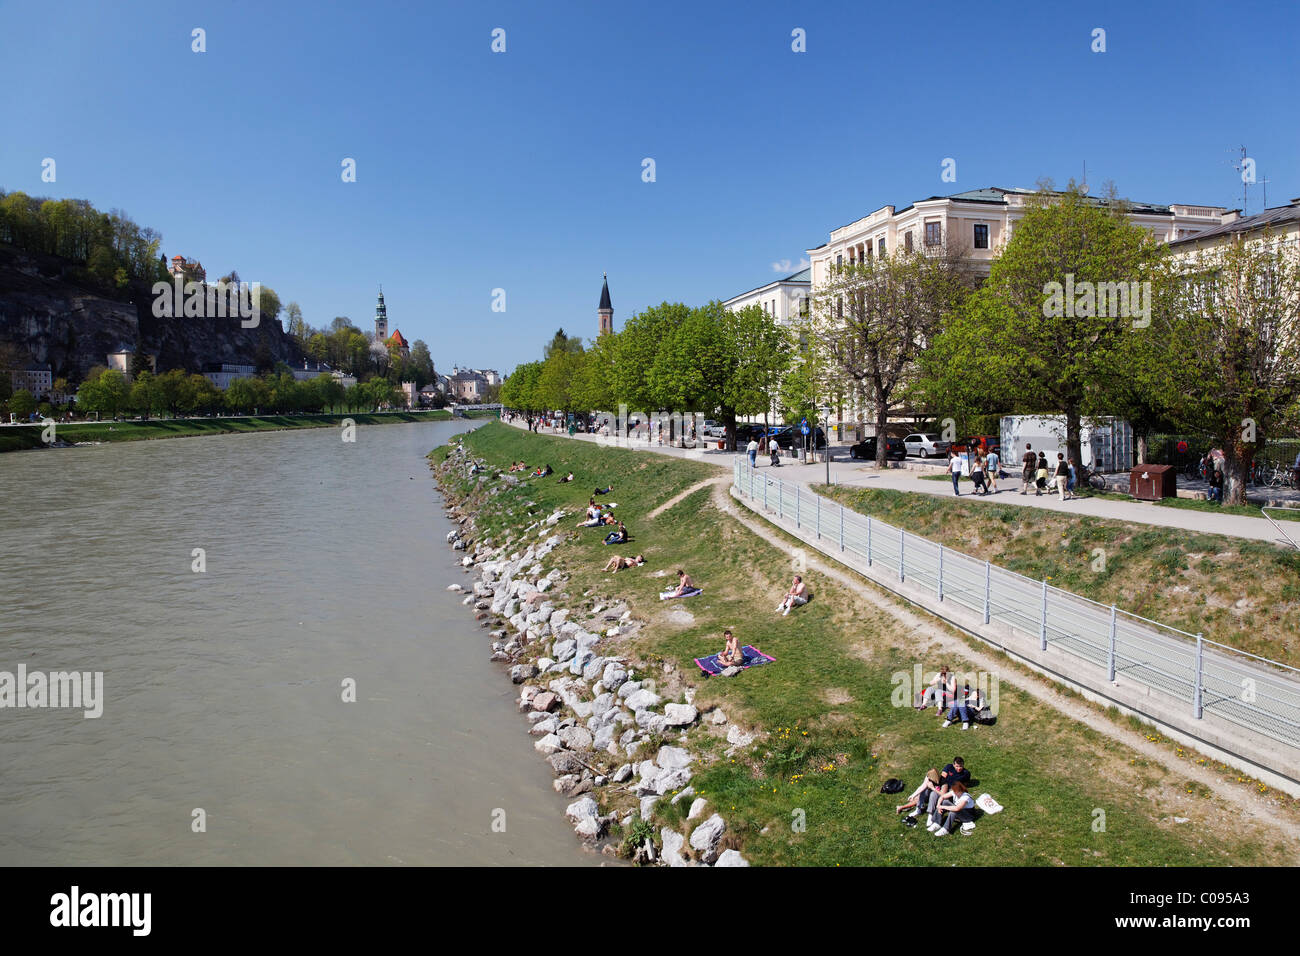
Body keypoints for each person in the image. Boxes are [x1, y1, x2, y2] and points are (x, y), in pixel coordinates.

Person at [907, 756, 969, 823]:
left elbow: (963, 785)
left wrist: (934, 788)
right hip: (940, 786)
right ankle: (918, 809)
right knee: (924, 790)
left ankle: (930, 814)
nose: (959, 768)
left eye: (961, 766)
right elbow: (923, 786)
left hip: (949, 789)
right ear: (953, 764)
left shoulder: (965, 773)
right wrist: (913, 795)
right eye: (957, 766)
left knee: (933, 794)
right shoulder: (948, 767)